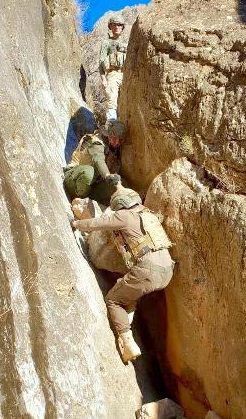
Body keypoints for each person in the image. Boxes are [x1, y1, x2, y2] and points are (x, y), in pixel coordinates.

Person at [71, 187, 174, 363]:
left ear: (120, 204)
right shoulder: (148, 215)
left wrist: (76, 224)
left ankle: (127, 341)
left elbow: (98, 223)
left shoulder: (124, 216)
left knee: (114, 300)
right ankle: (126, 321)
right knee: (128, 290)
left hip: (148, 271)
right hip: (168, 272)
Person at [63, 122, 124, 205]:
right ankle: (80, 200)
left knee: (122, 182)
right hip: (75, 179)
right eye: (114, 138)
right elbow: (99, 160)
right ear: (108, 135)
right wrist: (107, 176)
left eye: (119, 140)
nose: (116, 143)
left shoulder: (111, 147)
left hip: (91, 186)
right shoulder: (97, 143)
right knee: (88, 172)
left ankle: (92, 201)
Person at [99, 16, 127, 124]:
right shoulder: (106, 43)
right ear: (110, 27)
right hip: (112, 74)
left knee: (124, 102)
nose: (116, 27)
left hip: (125, 74)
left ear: (122, 27)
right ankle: (112, 128)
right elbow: (101, 63)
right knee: (112, 100)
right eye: (114, 25)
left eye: (119, 25)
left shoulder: (127, 44)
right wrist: (103, 80)